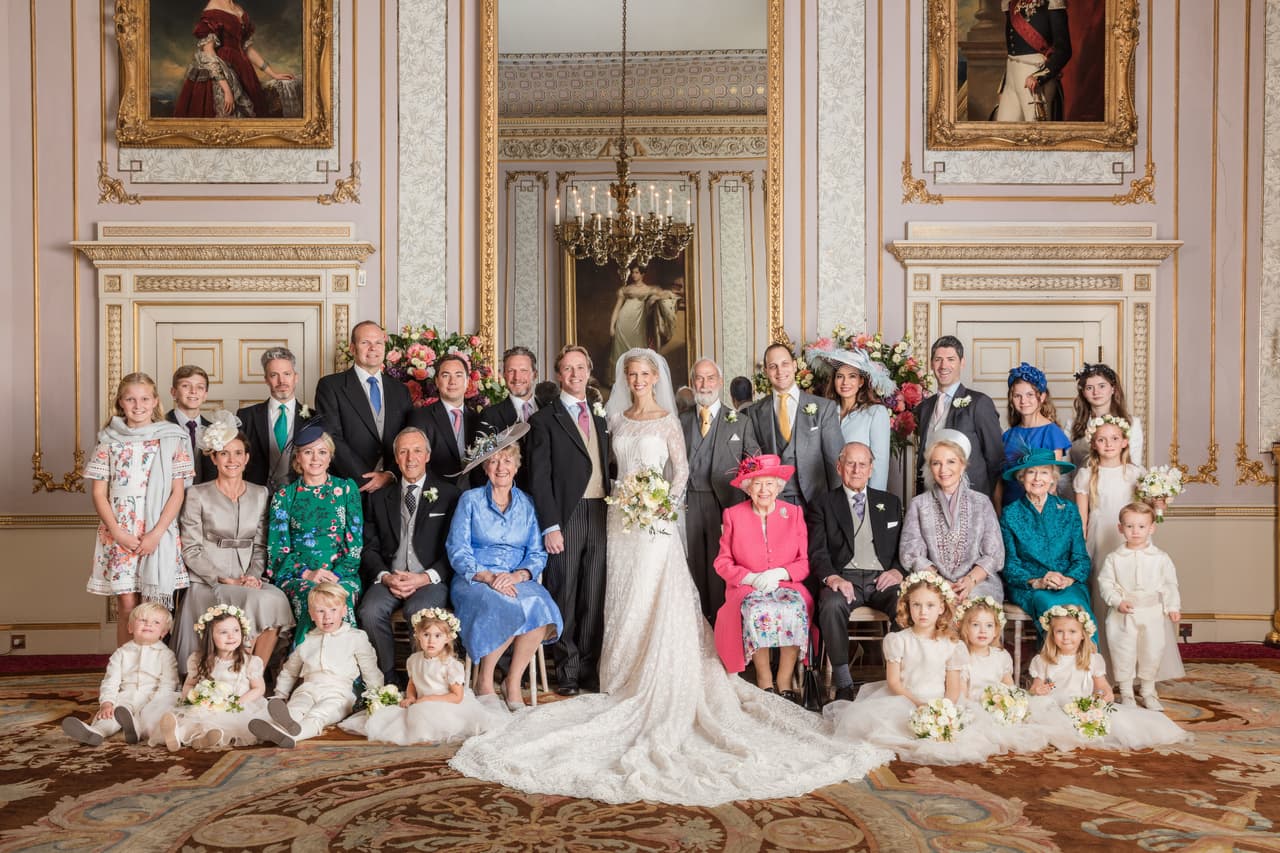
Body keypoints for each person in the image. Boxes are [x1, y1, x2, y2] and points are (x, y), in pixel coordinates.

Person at [449, 347, 890, 808]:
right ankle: (619, 672)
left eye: (644, 373)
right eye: (632, 374)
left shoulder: (668, 421)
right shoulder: (613, 420)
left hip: (655, 522)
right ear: (624, 379)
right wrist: (630, 503)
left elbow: (678, 472)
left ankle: (661, 668)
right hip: (619, 521)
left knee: (658, 593)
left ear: (656, 378)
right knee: (618, 596)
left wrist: (660, 505)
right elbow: (609, 470)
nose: (638, 380)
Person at [825, 572, 996, 765]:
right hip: (904, 700)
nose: (923, 612)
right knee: (891, 731)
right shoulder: (898, 640)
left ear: (941, 608)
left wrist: (943, 710)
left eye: (930, 605)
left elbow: (953, 688)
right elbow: (894, 682)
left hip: (941, 702)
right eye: (917, 605)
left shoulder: (951, 644)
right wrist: (917, 704)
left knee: (964, 733)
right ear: (907, 606)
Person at [446, 425, 561, 708]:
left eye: (507, 461)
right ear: (485, 467)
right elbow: (457, 549)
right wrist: (488, 577)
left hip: (515, 577)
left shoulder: (529, 504)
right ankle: (485, 679)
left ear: (516, 466)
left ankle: (512, 681)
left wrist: (517, 575)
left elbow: (536, 553)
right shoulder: (470, 500)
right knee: (502, 603)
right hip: (475, 579)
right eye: (494, 461)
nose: (501, 467)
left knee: (540, 605)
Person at [526, 345, 611, 695]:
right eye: (567, 369)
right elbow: (539, 478)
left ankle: (591, 669)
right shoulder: (544, 419)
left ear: (588, 372)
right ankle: (568, 671)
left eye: (580, 368)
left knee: (594, 594)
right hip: (566, 516)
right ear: (558, 374)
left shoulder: (602, 416)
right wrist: (550, 525)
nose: (575, 375)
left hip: (601, 512)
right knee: (565, 592)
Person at [177, 415, 294, 669]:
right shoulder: (197, 494)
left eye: (238, 453)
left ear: (247, 458)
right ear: (214, 458)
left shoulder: (260, 493)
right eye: (225, 454)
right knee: (259, 601)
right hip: (208, 582)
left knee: (277, 599)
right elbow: (191, 548)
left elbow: (262, 544)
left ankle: (254, 676)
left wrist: (253, 575)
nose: (232, 460)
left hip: (247, 578)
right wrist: (222, 578)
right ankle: (233, 674)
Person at [1074, 415, 1183, 684]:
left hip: (1133, 541)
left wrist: (1160, 503)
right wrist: (1080, 548)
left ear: (1124, 442)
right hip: (1100, 538)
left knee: (1140, 591)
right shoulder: (1087, 474)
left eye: (1114, 439)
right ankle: (1106, 669)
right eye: (1102, 439)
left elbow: (1152, 516)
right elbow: (1081, 519)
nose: (1108, 444)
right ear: (1094, 444)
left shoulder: (1135, 474)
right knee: (1105, 595)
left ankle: (1142, 671)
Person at [86, 372, 192, 645]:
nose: (138, 405)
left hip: (158, 529)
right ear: (121, 402)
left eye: (145, 399)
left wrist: (156, 534)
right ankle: (127, 670)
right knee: (127, 607)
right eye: (130, 399)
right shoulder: (108, 440)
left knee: (153, 609)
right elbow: (99, 493)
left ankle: (153, 672)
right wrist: (118, 533)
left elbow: (177, 493)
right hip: (120, 531)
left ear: (155, 401)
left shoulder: (171, 437)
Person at [357, 427, 461, 686]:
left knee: (420, 611)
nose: (410, 457)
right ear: (396, 458)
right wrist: (385, 576)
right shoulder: (379, 497)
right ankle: (387, 679)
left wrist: (424, 578)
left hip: (429, 580)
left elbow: (455, 548)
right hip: (390, 578)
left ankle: (423, 681)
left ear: (427, 455)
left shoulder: (449, 494)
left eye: (416, 450)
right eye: (403, 452)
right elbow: (368, 546)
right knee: (369, 611)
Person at [808, 442, 905, 701]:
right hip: (844, 578)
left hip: (882, 579)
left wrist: (897, 571)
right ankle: (843, 682)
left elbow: (902, 548)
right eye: (850, 463)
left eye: (863, 464)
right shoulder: (823, 503)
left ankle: (898, 677)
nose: (856, 469)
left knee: (907, 604)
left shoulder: (891, 502)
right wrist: (833, 577)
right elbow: (817, 551)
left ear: (872, 469)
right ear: (839, 467)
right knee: (830, 604)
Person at [713, 454, 813, 701]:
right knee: (758, 609)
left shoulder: (794, 513)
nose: (763, 490)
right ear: (748, 488)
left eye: (769, 483)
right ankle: (764, 678)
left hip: (786, 584)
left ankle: (785, 677)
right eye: (757, 483)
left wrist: (780, 573)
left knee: (794, 608)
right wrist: (750, 578)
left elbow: (804, 563)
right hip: (748, 588)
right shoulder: (733, 515)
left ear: (778, 486)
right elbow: (722, 562)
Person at [1028, 605, 1186, 751]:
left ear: (1083, 635)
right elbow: (1035, 687)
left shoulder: (1092, 659)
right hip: (1054, 706)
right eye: (1059, 632)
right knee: (1040, 722)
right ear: (1052, 634)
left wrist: (1104, 695)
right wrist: (1039, 689)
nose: (1066, 637)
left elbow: (1102, 687)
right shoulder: (1043, 661)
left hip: (1082, 706)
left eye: (1072, 632)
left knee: (1119, 723)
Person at [343, 608, 509, 744]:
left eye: (438, 636)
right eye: (426, 635)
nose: (431, 641)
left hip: (446, 704)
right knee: (393, 721)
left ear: (447, 639)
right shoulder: (414, 660)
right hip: (420, 702)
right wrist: (410, 697)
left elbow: (456, 697)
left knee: (422, 720)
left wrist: (428, 700)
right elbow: (413, 683)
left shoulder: (451, 665)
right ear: (417, 636)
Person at [249, 583, 382, 749]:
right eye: (320, 611)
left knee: (319, 714)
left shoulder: (356, 637)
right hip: (308, 688)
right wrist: (280, 695)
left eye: (333, 610)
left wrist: (378, 696)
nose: (327, 617)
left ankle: (290, 736)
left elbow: (370, 669)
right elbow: (290, 671)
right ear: (311, 614)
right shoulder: (307, 640)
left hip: (339, 693)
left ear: (343, 611)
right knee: (296, 708)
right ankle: (278, 727)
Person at [267, 421, 363, 645]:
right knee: (313, 598)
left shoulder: (347, 489)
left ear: (330, 457)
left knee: (337, 598)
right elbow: (277, 550)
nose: (315, 458)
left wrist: (335, 576)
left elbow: (354, 544)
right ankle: (306, 670)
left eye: (322, 452)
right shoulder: (284, 497)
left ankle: (346, 674)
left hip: (341, 575)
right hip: (298, 576)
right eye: (308, 452)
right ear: (297, 458)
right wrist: (307, 574)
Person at [680, 358, 760, 622]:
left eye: (710, 378)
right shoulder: (680, 421)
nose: (705, 384)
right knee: (691, 568)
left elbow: (754, 464)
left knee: (721, 568)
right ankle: (698, 630)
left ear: (720, 381)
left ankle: (723, 630)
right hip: (688, 504)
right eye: (699, 379)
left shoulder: (740, 422)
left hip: (726, 504)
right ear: (693, 384)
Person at [999, 447, 1095, 641]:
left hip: (1067, 585)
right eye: (1031, 472)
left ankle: (1086, 667)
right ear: (1021, 477)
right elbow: (1009, 565)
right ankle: (1054, 667)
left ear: (1053, 478)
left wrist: (1068, 579)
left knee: (1077, 608)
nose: (1037, 478)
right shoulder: (1011, 513)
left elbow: (1081, 558)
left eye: (1044, 472)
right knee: (1052, 609)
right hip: (1030, 587)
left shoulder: (1068, 510)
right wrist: (1038, 582)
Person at [900, 430, 1005, 605]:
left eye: (951, 462)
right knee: (932, 605)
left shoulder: (981, 502)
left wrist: (970, 581)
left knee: (976, 610)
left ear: (963, 465)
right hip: (931, 582)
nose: (943, 470)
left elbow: (994, 554)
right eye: (936, 463)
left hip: (979, 582)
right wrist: (940, 583)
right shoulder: (919, 504)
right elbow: (910, 554)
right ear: (929, 467)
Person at [1097, 503, 1183, 710]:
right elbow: (1106, 583)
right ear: (1120, 528)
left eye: (1142, 527)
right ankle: (1126, 692)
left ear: (1151, 528)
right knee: (1123, 651)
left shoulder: (1160, 558)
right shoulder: (1114, 559)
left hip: (1152, 612)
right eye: (1129, 526)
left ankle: (1148, 691)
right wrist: (1118, 601)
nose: (1135, 531)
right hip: (1123, 615)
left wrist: (1172, 606)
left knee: (1151, 651)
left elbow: (1170, 584)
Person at [314, 321, 412, 495]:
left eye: (378, 343)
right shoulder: (330, 386)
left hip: (392, 488)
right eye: (365, 342)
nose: (373, 348)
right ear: (352, 348)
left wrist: (389, 474)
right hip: (349, 487)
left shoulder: (400, 390)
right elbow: (331, 437)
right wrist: (365, 479)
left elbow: (408, 436)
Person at [61, 602, 178, 746]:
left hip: (152, 698)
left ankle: (136, 728)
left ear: (163, 632)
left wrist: (156, 704)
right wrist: (107, 703)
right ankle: (97, 732)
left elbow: (168, 684)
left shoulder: (166, 655)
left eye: (156, 622)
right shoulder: (121, 653)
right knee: (111, 714)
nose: (148, 624)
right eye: (142, 620)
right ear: (130, 627)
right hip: (126, 697)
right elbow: (111, 681)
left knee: (155, 717)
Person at [155, 604, 267, 751]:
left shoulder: (249, 661)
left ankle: (201, 739)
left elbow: (259, 688)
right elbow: (189, 684)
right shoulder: (198, 659)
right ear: (210, 636)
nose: (231, 636)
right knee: (193, 718)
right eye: (223, 632)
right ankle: (176, 734)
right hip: (206, 705)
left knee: (227, 723)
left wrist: (238, 703)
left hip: (236, 706)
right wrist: (191, 699)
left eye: (236, 630)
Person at [745, 343, 844, 507]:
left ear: (794, 365)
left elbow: (835, 463)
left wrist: (835, 508)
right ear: (766, 372)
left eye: (784, 364)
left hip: (816, 504)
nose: (780, 371)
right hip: (771, 505)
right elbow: (752, 466)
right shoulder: (753, 413)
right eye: (772, 366)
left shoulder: (824, 408)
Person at [955, 596, 1050, 755]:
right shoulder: (963, 657)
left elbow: (1010, 687)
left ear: (996, 630)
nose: (983, 630)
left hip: (999, 704)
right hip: (974, 706)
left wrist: (1012, 705)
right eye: (976, 625)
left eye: (989, 625)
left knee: (1029, 714)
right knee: (979, 728)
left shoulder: (1001, 655)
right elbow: (962, 695)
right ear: (965, 628)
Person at [914, 336, 1004, 499]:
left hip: (971, 497)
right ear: (931, 364)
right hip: (929, 497)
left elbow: (996, 459)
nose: (943, 366)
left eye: (950, 359)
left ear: (962, 363)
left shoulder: (979, 403)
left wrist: (988, 501)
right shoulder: (925, 407)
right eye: (938, 359)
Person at [173, 0, 295, 119]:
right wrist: (226, 89)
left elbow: (248, 50)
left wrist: (273, 73)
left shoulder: (239, 9)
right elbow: (208, 54)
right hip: (223, 71)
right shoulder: (213, 8)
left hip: (245, 71)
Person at [809, 344, 895, 491]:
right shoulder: (825, 411)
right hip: (828, 496)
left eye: (852, 376)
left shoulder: (876, 413)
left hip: (861, 495)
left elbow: (879, 465)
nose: (845, 383)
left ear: (861, 381)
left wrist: (874, 504)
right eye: (840, 376)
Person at [237, 347, 318, 494]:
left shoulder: (313, 418)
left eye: (287, 374)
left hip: (301, 497)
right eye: (274, 375)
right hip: (254, 497)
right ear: (266, 380)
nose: (282, 381)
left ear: (296, 377)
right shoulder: (246, 416)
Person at [1001, 362, 1071, 506]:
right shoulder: (1008, 436)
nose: (1023, 401)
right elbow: (1000, 481)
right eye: (1017, 396)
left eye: (1030, 395)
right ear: (1011, 399)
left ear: (1042, 397)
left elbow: (1052, 482)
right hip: (1009, 506)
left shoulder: (1051, 433)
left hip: (1038, 507)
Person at [407, 353, 481, 487]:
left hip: (473, 497)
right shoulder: (421, 417)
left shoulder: (478, 419)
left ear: (467, 381)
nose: (452, 381)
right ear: (436, 381)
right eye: (445, 375)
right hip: (436, 496)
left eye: (458, 375)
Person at [994, 0, 1072, 123]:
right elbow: (1012, 52)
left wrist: (1039, 77)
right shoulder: (1012, 3)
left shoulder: (1052, 2)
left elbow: (1064, 50)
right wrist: (1005, 83)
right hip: (1011, 78)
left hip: (1035, 74)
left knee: (1037, 133)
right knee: (1004, 132)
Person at [1067, 362, 1145, 476]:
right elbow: (1064, 470)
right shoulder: (1072, 425)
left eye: (1102, 386)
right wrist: (1073, 493)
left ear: (1113, 388)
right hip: (1080, 490)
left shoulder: (1132, 423)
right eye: (1089, 388)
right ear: (1083, 392)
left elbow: (1134, 464)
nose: (1096, 392)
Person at [478, 346, 539, 490]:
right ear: (503, 375)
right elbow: (480, 468)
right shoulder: (490, 416)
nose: (517, 377)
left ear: (534, 374)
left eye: (523, 370)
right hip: (506, 499)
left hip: (546, 501)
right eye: (511, 371)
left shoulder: (550, 411)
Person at [607, 267, 678, 383]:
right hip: (623, 322)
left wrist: (656, 298)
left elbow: (665, 295)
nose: (633, 275)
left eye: (636, 273)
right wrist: (611, 326)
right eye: (632, 273)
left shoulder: (649, 289)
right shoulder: (626, 289)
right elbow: (617, 308)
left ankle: (638, 381)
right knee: (621, 352)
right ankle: (621, 382)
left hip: (638, 323)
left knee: (638, 352)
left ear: (642, 274)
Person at [166, 365, 217, 484]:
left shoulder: (214, 430)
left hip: (205, 497)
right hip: (169, 497)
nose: (193, 391)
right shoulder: (161, 426)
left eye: (200, 387)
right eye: (185, 386)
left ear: (205, 395)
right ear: (174, 392)